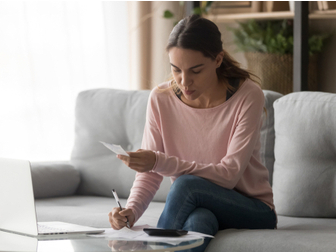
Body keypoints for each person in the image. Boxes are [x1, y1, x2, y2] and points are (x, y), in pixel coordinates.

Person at [108, 14, 277, 252]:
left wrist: (158, 160)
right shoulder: (160, 99)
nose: (184, 82)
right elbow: (150, 174)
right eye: (176, 70)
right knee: (199, 222)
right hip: (199, 203)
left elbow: (229, 175)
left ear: (218, 60)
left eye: (196, 71)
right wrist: (130, 212)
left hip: (253, 208)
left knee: (187, 185)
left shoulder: (247, 96)